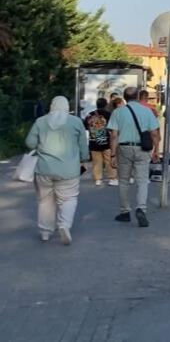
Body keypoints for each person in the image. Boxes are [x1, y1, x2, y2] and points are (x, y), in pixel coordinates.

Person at [24, 96, 88, 245]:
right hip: (69, 170)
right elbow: (83, 146)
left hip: (44, 169)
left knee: (45, 200)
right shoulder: (76, 122)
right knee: (69, 198)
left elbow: (30, 143)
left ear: (52, 106)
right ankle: (64, 225)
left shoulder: (40, 121)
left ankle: (45, 232)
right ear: (67, 107)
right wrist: (84, 159)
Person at [107, 86, 160, 228]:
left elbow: (114, 135)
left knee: (124, 181)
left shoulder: (118, 112)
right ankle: (141, 209)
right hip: (142, 149)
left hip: (124, 148)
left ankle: (125, 212)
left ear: (125, 97)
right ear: (137, 97)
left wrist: (112, 154)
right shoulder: (147, 111)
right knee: (142, 181)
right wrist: (156, 150)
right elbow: (154, 133)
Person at [85, 97, 117, 186]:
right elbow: (113, 128)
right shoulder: (109, 114)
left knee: (96, 162)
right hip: (106, 142)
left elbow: (86, 126)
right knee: (109, 160)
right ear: (106, 105)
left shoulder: (90, 115)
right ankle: (112, 178)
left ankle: (98, 179)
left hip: (94, 142)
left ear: (97, 105)